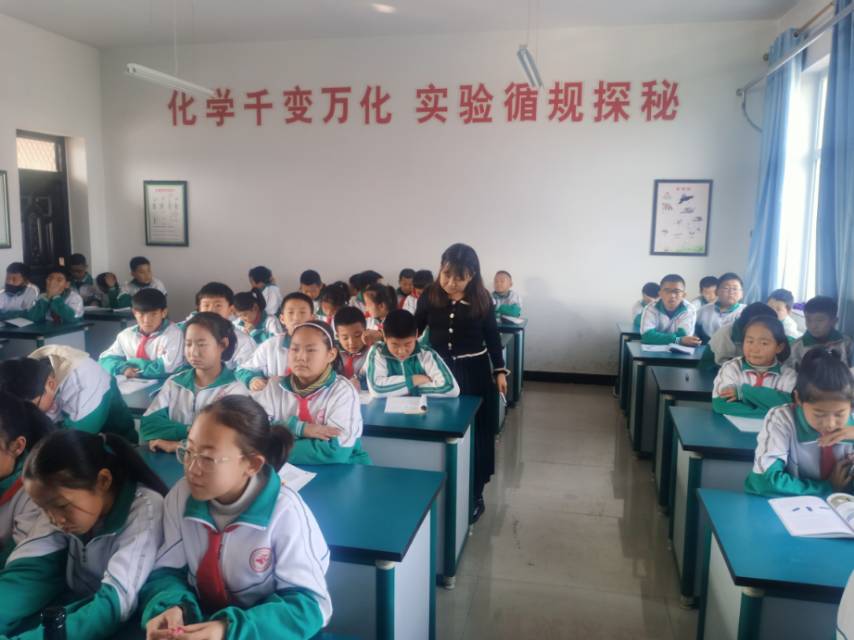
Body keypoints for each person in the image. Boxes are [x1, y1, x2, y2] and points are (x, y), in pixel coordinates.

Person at [140, 396, 331, 640]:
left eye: (207, 458)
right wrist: (173, 606)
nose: (192, 469)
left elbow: (309, 607)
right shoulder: (181, 496)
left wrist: (228, 629)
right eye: (189, 451)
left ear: (252, 464)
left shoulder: (285, 513)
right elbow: (166, 571)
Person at [415, 243, 508, 522]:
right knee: (440, 429)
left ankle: (475, 493)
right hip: (438, 372)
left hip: (474, 374)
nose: (451, 283)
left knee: (476, 434)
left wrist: (499, 371)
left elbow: (493, 337)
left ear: (472, 275)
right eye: (446, 275)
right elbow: (415, 329)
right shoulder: (430, 295)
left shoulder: (481, 299)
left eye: (459, 277)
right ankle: (441, 486)